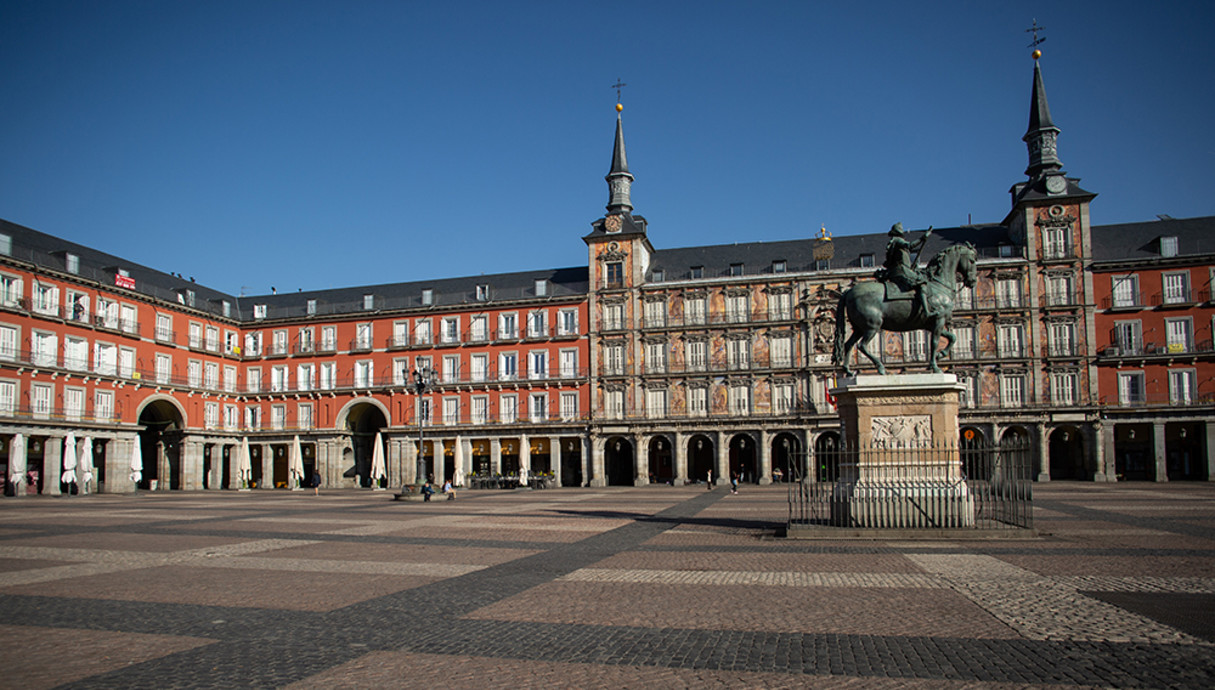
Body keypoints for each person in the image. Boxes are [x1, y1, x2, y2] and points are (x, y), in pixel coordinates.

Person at [879, 223, 935, 317]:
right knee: (922, 283)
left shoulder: (894, 242)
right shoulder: (898, 240)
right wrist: (923, 238)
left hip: (898, 270)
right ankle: (926, 311)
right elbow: (909, 246)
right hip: (901, 271)